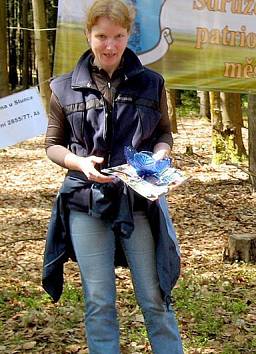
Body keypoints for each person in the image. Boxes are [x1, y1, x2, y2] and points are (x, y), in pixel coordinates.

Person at [41, 0, 184, 353]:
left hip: (139, 202)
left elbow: (163, 133)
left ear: (129, 35)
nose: (110, 45)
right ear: (88, 35)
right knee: (99, 300)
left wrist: (159, 157)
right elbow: (52, 145)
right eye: (101, 36)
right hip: (85, 202)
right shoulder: (63, 87)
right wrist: (78, 162)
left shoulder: (151, 83)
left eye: (118, 36)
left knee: (155, 296)